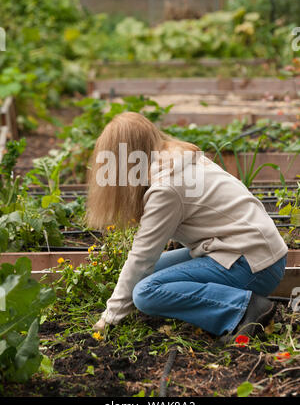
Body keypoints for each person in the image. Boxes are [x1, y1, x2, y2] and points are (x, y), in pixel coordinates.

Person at [87, 112, 288, 342]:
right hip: (252, 251)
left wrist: (110, 317)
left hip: (253, 265)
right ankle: (230, 301)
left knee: (144, 293)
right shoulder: (180, 156)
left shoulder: (166, 188)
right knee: (150, 274)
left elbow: (142, 257)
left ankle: (243, 309)